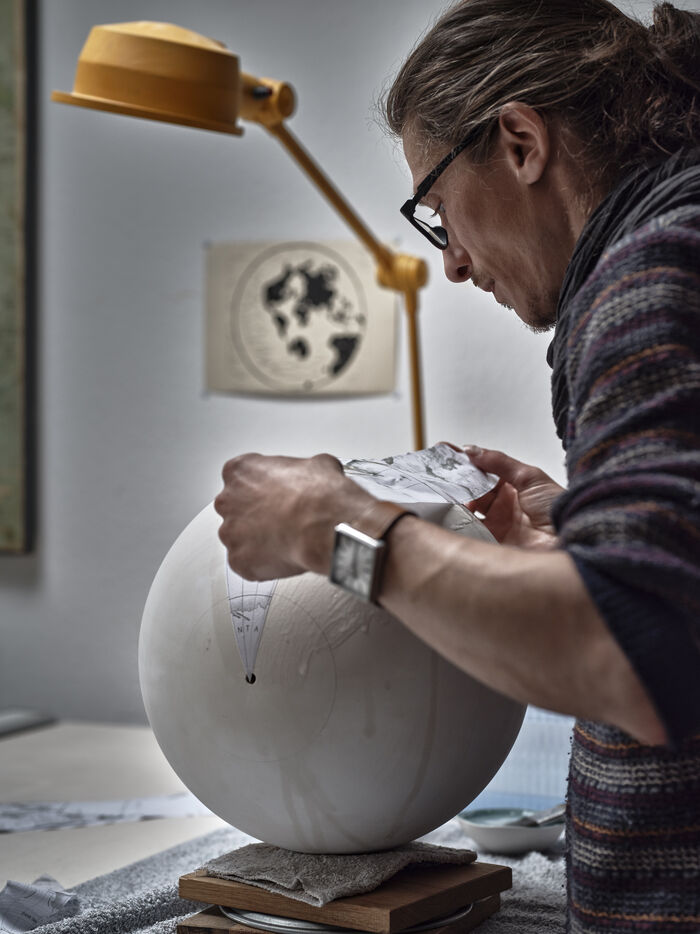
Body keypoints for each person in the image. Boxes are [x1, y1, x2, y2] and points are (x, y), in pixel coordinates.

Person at [215, 0, 700, 930]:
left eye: (437, 211)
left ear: (521, 142)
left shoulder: (656, 276)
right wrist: (587, 529)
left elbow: (635, 650)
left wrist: (334, 532)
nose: (455, 264)